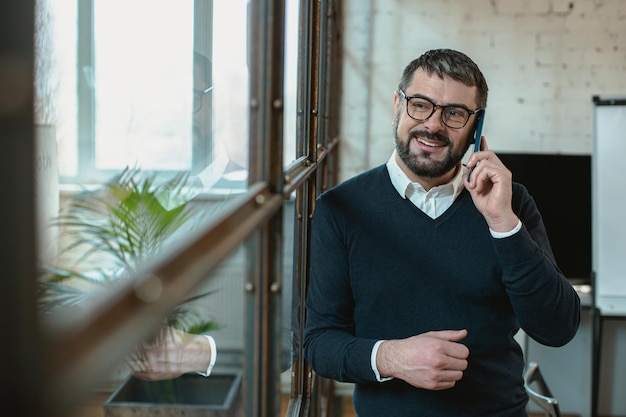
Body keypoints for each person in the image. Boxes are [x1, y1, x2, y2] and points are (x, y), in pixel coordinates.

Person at [302, 49, 581, 417]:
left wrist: (502, 223)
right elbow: (319, 343)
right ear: (398, 106)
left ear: (475, 127)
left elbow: (557, 328)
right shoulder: (341, 209)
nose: (433, 125)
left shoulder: (510, 202)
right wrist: (392, 357)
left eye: (454, 113)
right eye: (421, 104)